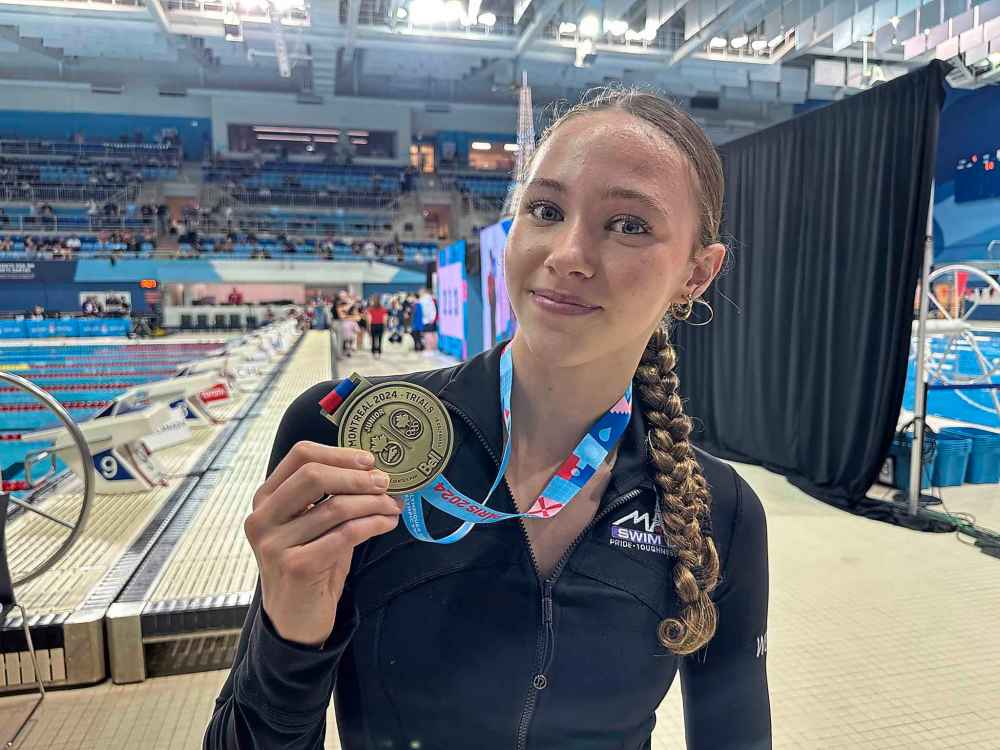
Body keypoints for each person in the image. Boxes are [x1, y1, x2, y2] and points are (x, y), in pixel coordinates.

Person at [205, 87, 771, 749]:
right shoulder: (351, 441)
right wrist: (290, 636)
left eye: (629, 225)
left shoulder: (720, 512)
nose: (566, 253)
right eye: (546, 210)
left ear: (697, 274)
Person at [365, 294, 387, 359]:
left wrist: (368, 327)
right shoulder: (383, 309)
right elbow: (385, 319)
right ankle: (379, 353)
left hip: (373, 325)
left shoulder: (370, 309)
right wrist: (385, 327)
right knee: (380, 340)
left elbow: (369, 319)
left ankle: (374, 353)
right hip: (381, 325)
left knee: (373, 340)